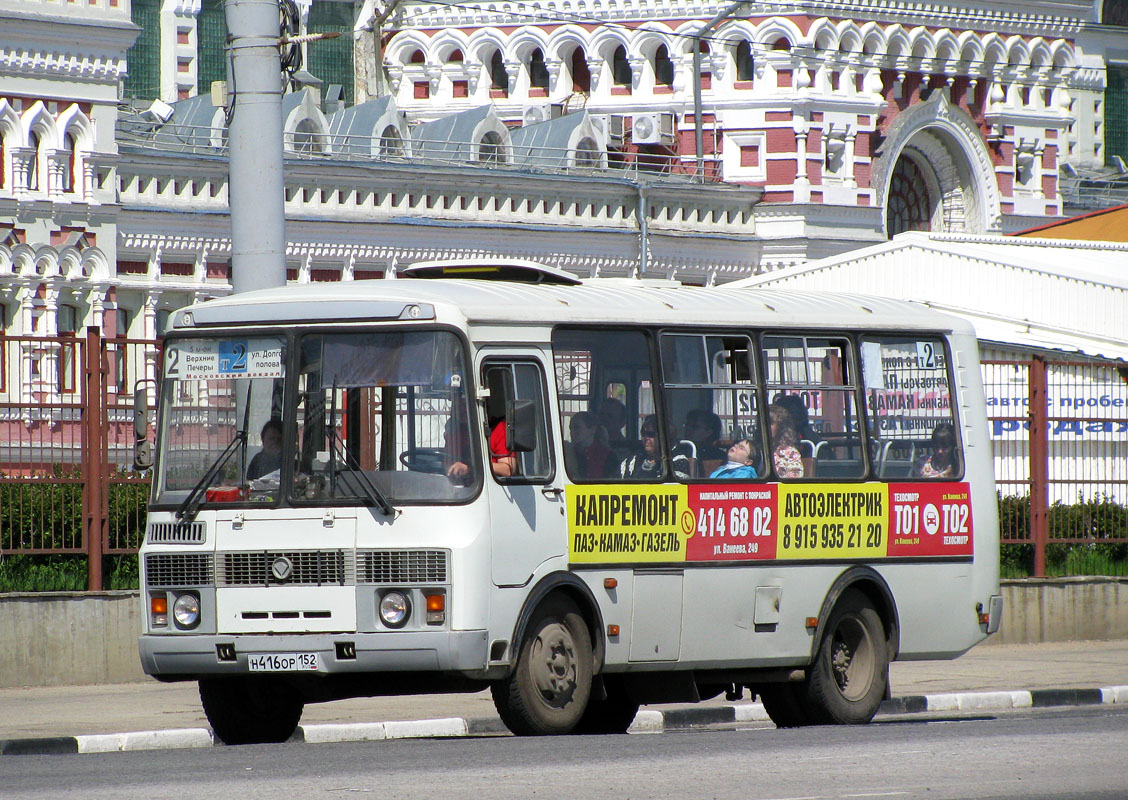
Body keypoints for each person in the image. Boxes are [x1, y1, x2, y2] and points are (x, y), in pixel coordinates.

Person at [620, 414, 691, 480]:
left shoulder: (678, 461)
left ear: (664, 437)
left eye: (651, 434)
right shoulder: (635, 459)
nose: (646, 438)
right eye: (644, 434)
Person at [567, 411, 612, 479]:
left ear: (592, 429)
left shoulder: (608, 456)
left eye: (577, 428)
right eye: (571, 428)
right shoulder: (568, 452)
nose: (572, 432)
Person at [768, 404, 803, 478]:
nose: (766, 426)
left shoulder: (791, 453)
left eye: (771, 423)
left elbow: (795, 479)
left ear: (781, 427)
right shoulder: (755, 449)